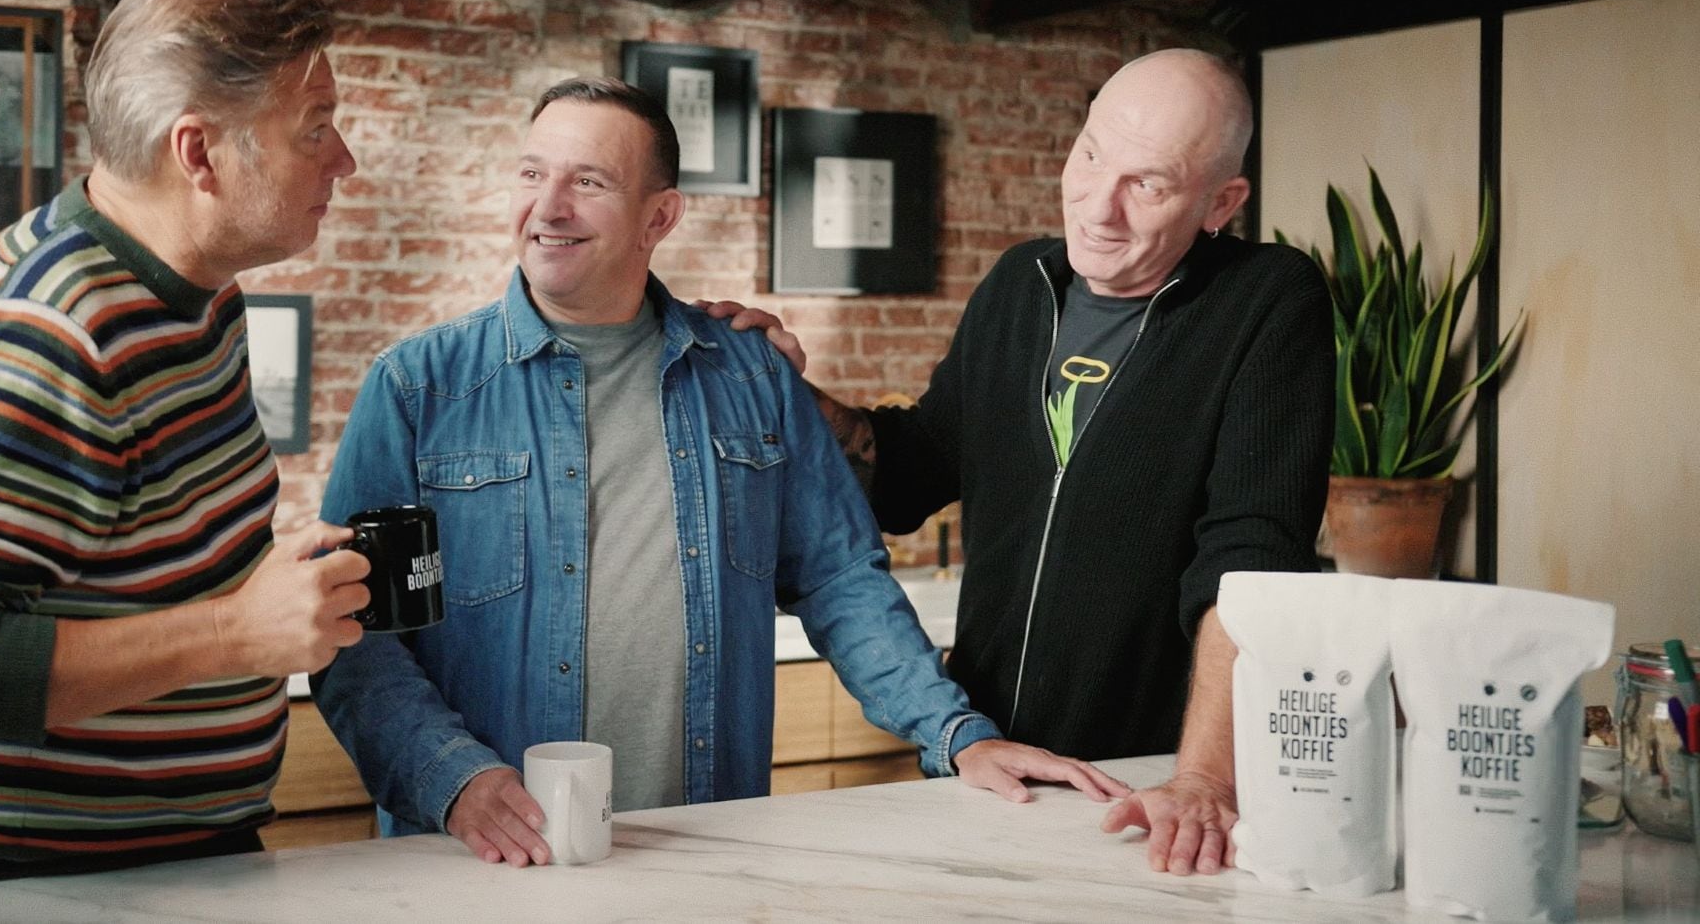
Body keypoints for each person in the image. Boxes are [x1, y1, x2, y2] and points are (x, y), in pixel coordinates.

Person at [313, 77, 1129, 868]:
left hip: (703, 851)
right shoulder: (419, 387)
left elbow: (842, 579)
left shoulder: (750, 376)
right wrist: (456, 781)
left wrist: (958, 733)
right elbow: (351, 637)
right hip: (487, 860)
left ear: (658, 215)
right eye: (533, 173)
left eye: (588, 181)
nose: (548, 205)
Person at [702, 48, 1333, 877]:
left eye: (1148, 184)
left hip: (1144, 787)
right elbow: (914, 467)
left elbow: (1250, 558)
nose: (1098, 208)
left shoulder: (1268, 300)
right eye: (1092, 155)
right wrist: (797, 398)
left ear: (1222, 202)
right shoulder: (1018, 283)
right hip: (992, 763)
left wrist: (1203, 776)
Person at [0, 0, 371, 888]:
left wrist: (259, 584)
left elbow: (128, 548)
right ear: (198, 152)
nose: (345, 159)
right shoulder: (43, 336)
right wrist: (234, 632)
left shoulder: (197, 294)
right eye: (315, 130)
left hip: (186, 859)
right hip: (49, 883)